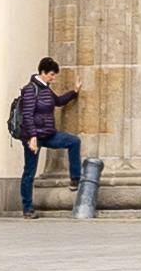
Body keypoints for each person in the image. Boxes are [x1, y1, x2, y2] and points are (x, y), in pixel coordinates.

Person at [10, 59, 85, 214]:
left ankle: (75, 179)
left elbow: (57, 102)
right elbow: (28, 115)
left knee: (73, 141)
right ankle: (27, 208)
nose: (53, 78)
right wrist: (32, 137)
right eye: (51, 75)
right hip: (33, 138)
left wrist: (74, 92)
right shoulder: (30, 90)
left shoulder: (45, 89)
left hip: (49, 134)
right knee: (29, 171)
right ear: (42, 73)